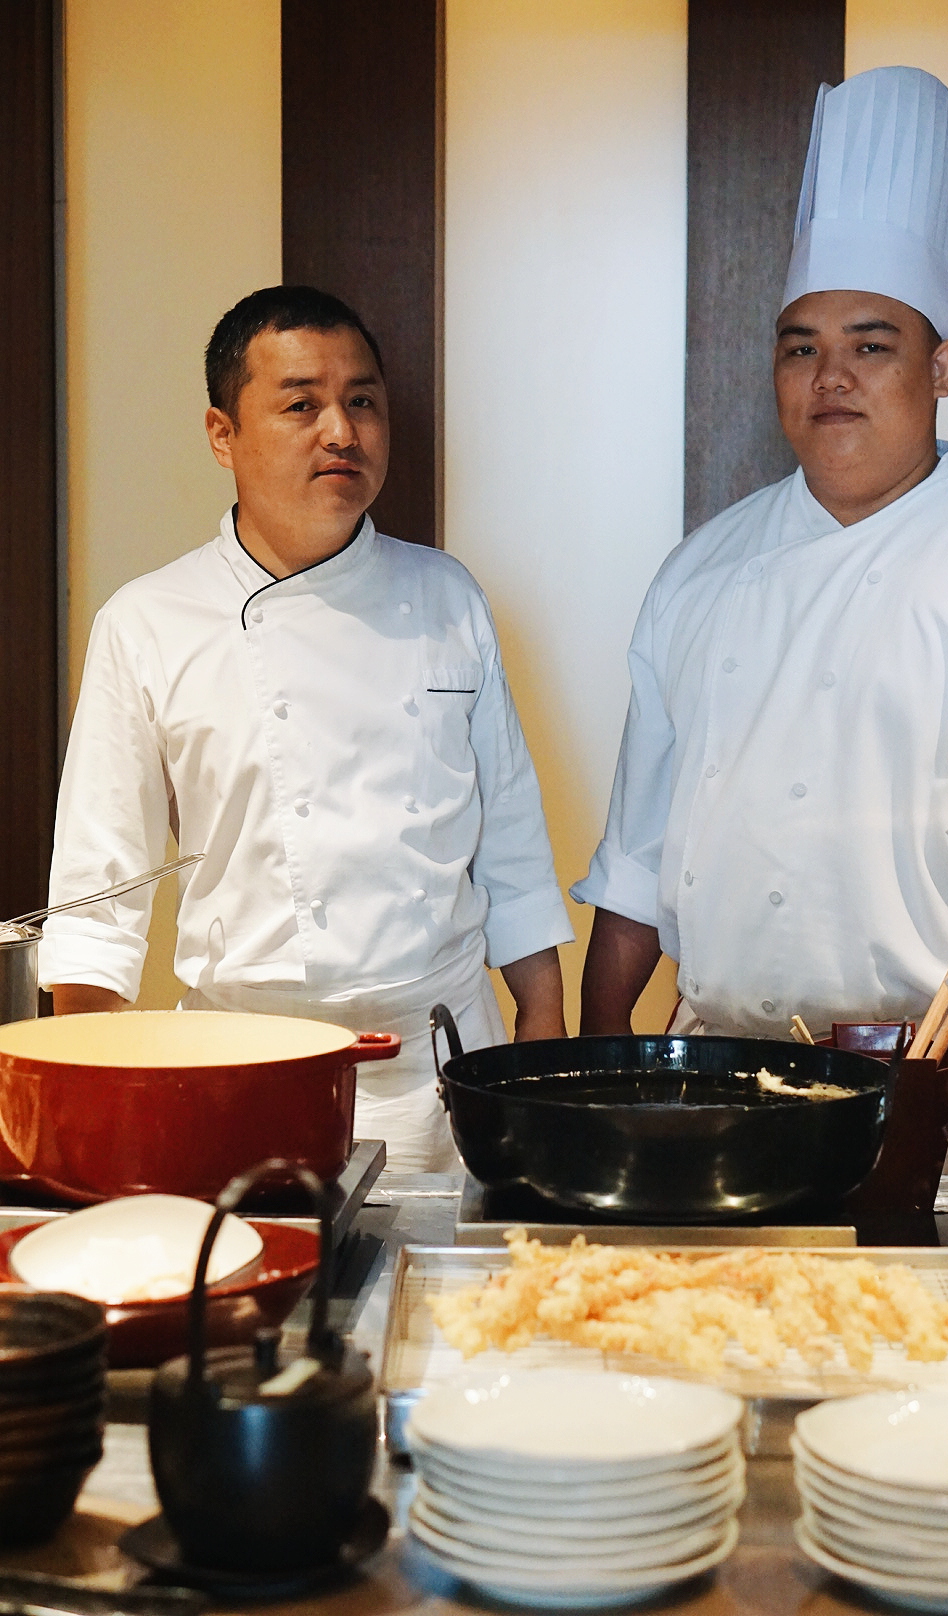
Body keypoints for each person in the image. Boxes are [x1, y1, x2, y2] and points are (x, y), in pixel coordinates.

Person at [573, 66, 948, 1040]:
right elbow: (635, 858)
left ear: (942, 368)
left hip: (923, 1078)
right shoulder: (699, 572)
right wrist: (594, 1065)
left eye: (872, 346)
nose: (832, 376)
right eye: (801, 348)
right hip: (717, 1063)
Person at [41, 285, 573, 1170]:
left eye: (362, 401)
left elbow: (511, 845)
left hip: (440, 1066)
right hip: (241, 1067)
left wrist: (542, 1036)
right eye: (301, 405)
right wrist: (93, 1111)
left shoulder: (447, 597)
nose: (342, 432)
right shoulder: (147, 622)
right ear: (223, 435)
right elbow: (100, 895)